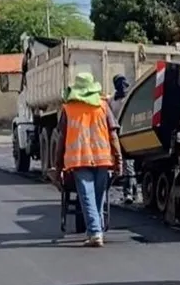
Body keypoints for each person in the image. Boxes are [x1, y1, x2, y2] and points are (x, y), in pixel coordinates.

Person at [54, 72, 123, 247]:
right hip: (103, 159)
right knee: (98, 196)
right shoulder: (103, 107)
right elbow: (113, 135)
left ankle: (94, 232)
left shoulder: (68, 109)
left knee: (88, 197)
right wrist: (119, 160)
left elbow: (61, 139)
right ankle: (96, 230)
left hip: (79, 159)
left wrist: (57, 166)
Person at [107, 74, 139, 204]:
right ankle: (133, 192)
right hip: (120, 134)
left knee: (128, 165)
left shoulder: (124, 99)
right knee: (128, 166)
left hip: (125, 134)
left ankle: (129, 193)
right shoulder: (117, 100)